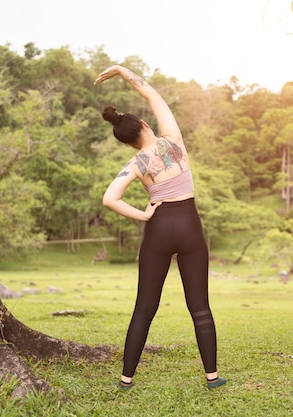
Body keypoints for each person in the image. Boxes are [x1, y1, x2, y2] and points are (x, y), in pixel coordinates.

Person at [94, 65, 226, 390]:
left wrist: (144, 214)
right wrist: (123, 72)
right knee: (199, 306)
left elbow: (110, 198)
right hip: (190, 224)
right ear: (144, 124)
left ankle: (126, 379)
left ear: (127, 144)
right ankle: (211, 377)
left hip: (158, 226)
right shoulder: (173, 140)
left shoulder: (137, 163)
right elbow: (150, 93)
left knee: (145, 307)